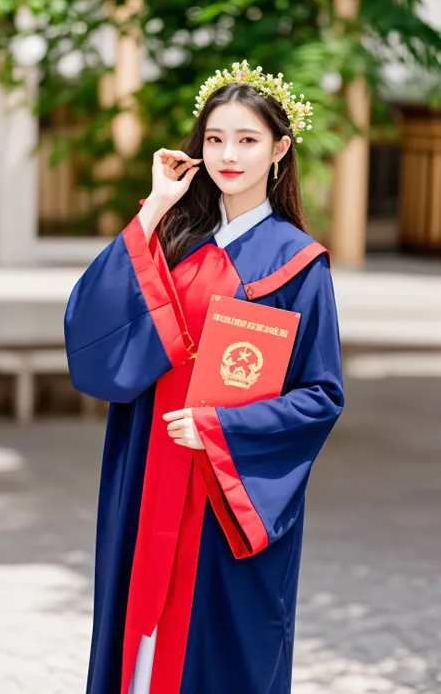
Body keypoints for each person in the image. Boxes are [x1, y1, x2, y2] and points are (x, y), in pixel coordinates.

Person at [64, 59, 345, 694]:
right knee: (140, 644)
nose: (228, 155)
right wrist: (158, 204)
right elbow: (93, 323)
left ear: (280, 148)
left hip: (226, 490)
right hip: (148, 466)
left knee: (217, 651)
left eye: (247, 140)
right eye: (215, 139)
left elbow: (322, 395)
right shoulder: (175, 238)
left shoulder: (298, 265)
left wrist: (223, 426)